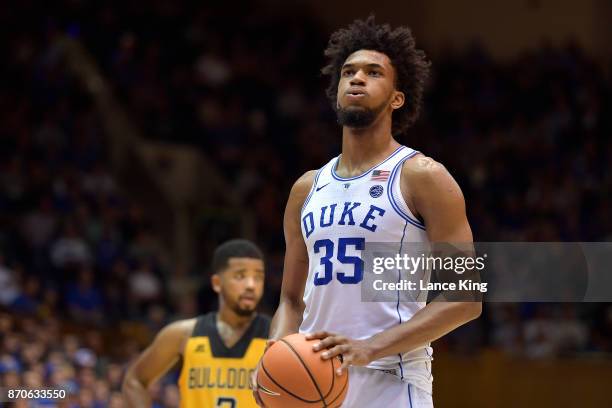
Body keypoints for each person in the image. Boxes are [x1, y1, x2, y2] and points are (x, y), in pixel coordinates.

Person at [256, 16, 481, 407]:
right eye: (349, 72)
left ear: (397, 97)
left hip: (390, 382)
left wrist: (369, 347)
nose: (357, 78)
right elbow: (291, 301)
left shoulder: (422, 176)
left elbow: (465, 298)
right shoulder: (307, 188)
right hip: (313, 382)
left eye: (373, 72)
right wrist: (274, 358)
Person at [124, 239, 269, 407]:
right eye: (240, 276)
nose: (251, 285)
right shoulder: (183, 334)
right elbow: (134, 381)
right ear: (216, 283)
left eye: (258, 277)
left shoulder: (277, 337)